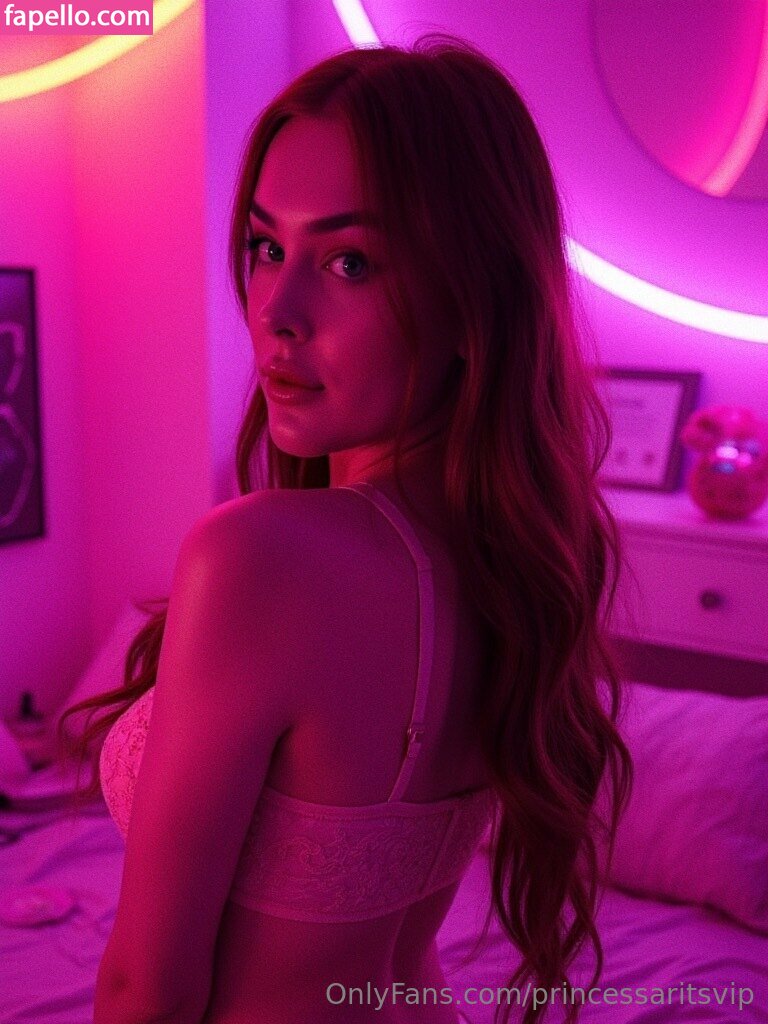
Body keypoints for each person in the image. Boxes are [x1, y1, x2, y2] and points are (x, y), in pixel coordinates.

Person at [59, 32, 632, 1024]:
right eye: (265, 247)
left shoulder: (261, 557)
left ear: (470, 299)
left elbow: (143, 988)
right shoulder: (513, 559)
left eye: (351, 261)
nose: (276, 310)